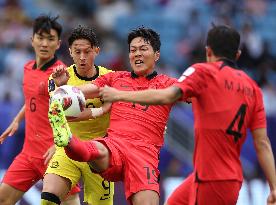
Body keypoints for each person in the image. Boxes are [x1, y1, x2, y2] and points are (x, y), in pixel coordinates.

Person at [99, 25, 276, 205]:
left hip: (211, 179)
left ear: (208, 51)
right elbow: (262, 143)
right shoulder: (253, 89)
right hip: (217, 177)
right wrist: (274, 188)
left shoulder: (202, 72)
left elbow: (168, 95)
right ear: (237, 55)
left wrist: (119, 95)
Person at [48, 27, 178, 205]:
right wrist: (63, 91)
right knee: (96, 150)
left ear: (156, 55)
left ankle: (70, 141)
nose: (137, 54)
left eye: (143, 49)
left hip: (144, 153)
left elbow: (196, 94)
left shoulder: (168, 84)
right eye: (133, 50)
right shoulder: (115, 78)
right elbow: (81, 92)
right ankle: (67, 139)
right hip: (114, 144)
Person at [0, 15, 80, 205]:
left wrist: (60, 145)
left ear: (58, 43)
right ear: (32, 39)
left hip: (53, 154)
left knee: (69, 201)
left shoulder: (62, 73)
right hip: (28, 154)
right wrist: (17, 120)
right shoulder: (28, 68)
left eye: (50, 39)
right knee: (3, 198)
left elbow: (75, 114)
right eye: (40, 37)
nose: (44, 43)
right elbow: (31, 99)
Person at [41, 25, 114, 205]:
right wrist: (62, 87)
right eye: (77, 51)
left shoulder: (111, 78)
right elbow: (60, 113)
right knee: (48, 199)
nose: (82, 57)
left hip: (100, 152)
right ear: (70, 52)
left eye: (87, 52)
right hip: (69, 147)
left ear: (96, 51)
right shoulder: (57, 78)